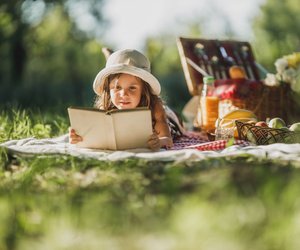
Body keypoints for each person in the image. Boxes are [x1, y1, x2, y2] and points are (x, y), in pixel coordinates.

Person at [69, 48, 175, 151]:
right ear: (108, 89)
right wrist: (78, 136)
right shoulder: (106, 107)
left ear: (143, 90)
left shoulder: (155, 105)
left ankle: (113, 60)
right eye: (117, 87)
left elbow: (168, 140)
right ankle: (112, 62)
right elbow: (92, 134)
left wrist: (159, 142)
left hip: (169, 116)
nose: (124, 94)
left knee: (172, 117)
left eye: (132, 88)